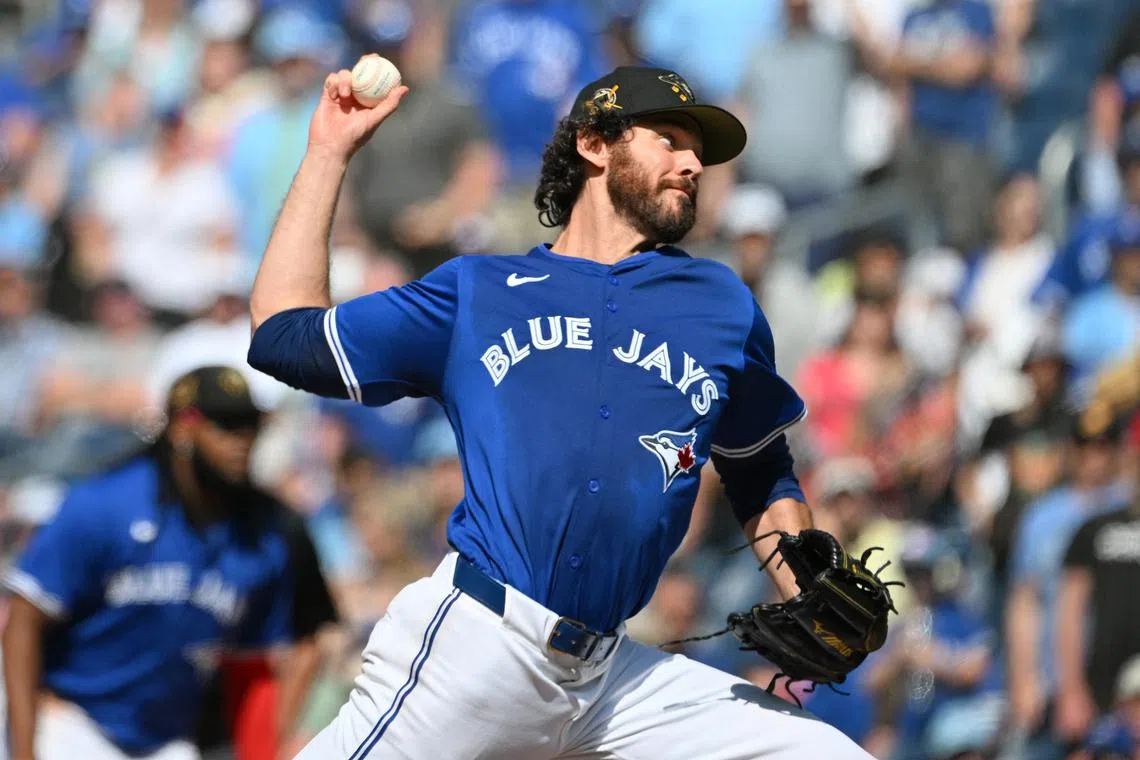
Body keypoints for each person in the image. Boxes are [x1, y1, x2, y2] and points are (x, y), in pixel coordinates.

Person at [246, 64, 877, 757]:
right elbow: (283, 335)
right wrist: (329, 153)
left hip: (611, 680)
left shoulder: (720, 306)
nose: (694, 162)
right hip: (482, 648)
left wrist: (809, 584)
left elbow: (760, 468)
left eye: (698, 149)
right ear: (594, 145)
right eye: (668, 138)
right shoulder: (480, 291)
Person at [1, 366, 294, 760]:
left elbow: (254, 663)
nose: (242, 439)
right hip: (75, 723)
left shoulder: (260, 536)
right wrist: (23, 750)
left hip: (167, 740)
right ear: (182, 429)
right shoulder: (105, 506)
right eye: (226, 424)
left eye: (250, 424)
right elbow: (23, 620)